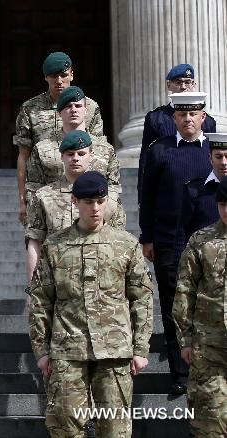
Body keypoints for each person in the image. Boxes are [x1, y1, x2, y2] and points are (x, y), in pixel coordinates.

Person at [29, 171, 153, 437]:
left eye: (100, 201)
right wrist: (41, 351)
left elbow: (141, 298)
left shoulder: (126, 245)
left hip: (114, 351)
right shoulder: (55, 246)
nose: (95, 208)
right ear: (75, 201)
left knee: (115, 428)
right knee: (64, 426)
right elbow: (40, 301)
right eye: (88, 202)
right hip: (67, 350)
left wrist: (141, 348)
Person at [139, 91, 213, 396]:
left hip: (210, 246)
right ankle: (180, 374)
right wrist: (147, 236)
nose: (187, 119)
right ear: (174, 119)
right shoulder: (160, 151)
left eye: (193, 114)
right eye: (181, 115)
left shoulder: (217, 150)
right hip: (170, 241)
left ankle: (208, 369)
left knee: (207, 306)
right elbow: (147, 196)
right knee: (173, 309)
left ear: (203, 117)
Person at [25, 130, 127, 281]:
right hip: (59, 281)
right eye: (70, 154)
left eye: (81, 154)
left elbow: (120, 242)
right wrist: (32, 288)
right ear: (62, 157)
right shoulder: (43, 196)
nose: (75, 158)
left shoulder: (108, 197)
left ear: (91, 156)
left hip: (101, 281)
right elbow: (35, 242)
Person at [15, 51, 104, 223]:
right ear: (45, 78)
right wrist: (22, 199)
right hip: (46, 192)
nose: (59, 81)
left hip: (83, 192)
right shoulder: (30, 109)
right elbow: (23, 155)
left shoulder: (89, 107)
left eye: (63, 75)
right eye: (53, 76)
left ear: (71, 74)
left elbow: (97, 151)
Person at [174, 177, 227, 437]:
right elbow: (185, 291)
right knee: (209, 423)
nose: (226, 210)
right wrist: (185, 338)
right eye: (222, 204)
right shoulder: (201, 241)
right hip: (210, 347)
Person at [24, 86, 120, 202]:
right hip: (57, 213)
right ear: (59, 113)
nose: (74, 110)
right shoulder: (42, 149)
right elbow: (34, 190)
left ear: (86, 110)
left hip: (93, 215)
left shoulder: (105, 149)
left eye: (78, 106)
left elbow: (113, 191)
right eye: (68, 106)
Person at [138, 63, 217, 198]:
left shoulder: (208, 121)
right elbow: (146, 160)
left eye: (188, 82)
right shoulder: (156, 118)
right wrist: (143, 195)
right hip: (168, 187)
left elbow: (213, 157)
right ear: (169, 86)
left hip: (200, 189)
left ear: (194, 85)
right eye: (178, 82)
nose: (184, 86)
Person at [179, 133, 227, 247]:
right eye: (219, 157)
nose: (224, 162)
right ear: (210, 158)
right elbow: (180, 232)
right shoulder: (193, 190)